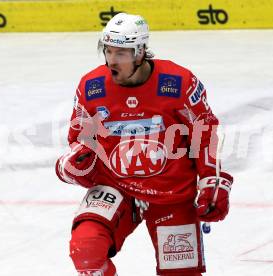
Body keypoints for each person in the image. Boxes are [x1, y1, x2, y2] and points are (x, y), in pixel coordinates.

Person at [55, 13, 233, 276]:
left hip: (171, 193)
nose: (111, 61)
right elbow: (80, 141)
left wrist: (212, 180)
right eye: (108, 51)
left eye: (121, 54)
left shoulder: (177, 83)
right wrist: (72, 166)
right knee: (86, 248)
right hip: (116, 188)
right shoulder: (92, 87)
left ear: (140, 53)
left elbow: (204, 132)